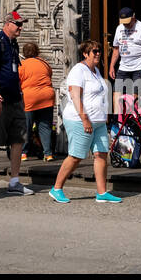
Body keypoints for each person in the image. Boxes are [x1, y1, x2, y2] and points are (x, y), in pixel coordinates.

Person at [49, 42, 121, 204]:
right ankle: (57, 188)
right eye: (94, 51)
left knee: (101, 154)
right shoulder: (78, 71)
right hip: (79, 119)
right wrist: (85, 119)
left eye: (99, 51)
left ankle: (102, 193)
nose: (97, 54)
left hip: (98, 121)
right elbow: (75, 96)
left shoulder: (95, 71)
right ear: (85, 54)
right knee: (76, 156)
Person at [0, 10, 35, 195]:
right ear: (7, 24)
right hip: (1, 99)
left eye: (22, 24)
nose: (20, 27)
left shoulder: (13, 44)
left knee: (18, 139)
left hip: (15, 98)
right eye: (18, 24)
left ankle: (14, 181)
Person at [109, 7, 141, 116]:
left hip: (140, 66)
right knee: (116, 93)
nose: (126, 25)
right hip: (124, 66)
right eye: (123, 22)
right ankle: (119, 122)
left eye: (128, 22)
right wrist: (112, 66)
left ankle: (134, 121)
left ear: (133, 17)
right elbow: (116, 49)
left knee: (135, 95)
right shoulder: (119, 28)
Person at [19, 40, 56, 161]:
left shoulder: (22, 65)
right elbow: (49, 75)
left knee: (27, 126)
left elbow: (18, 81)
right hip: (47, 96)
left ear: (24, 53)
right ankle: (48, 153)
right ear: (37, 52)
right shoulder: (44, 63)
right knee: (45, 126)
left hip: (30, 98)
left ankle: (23, 153)